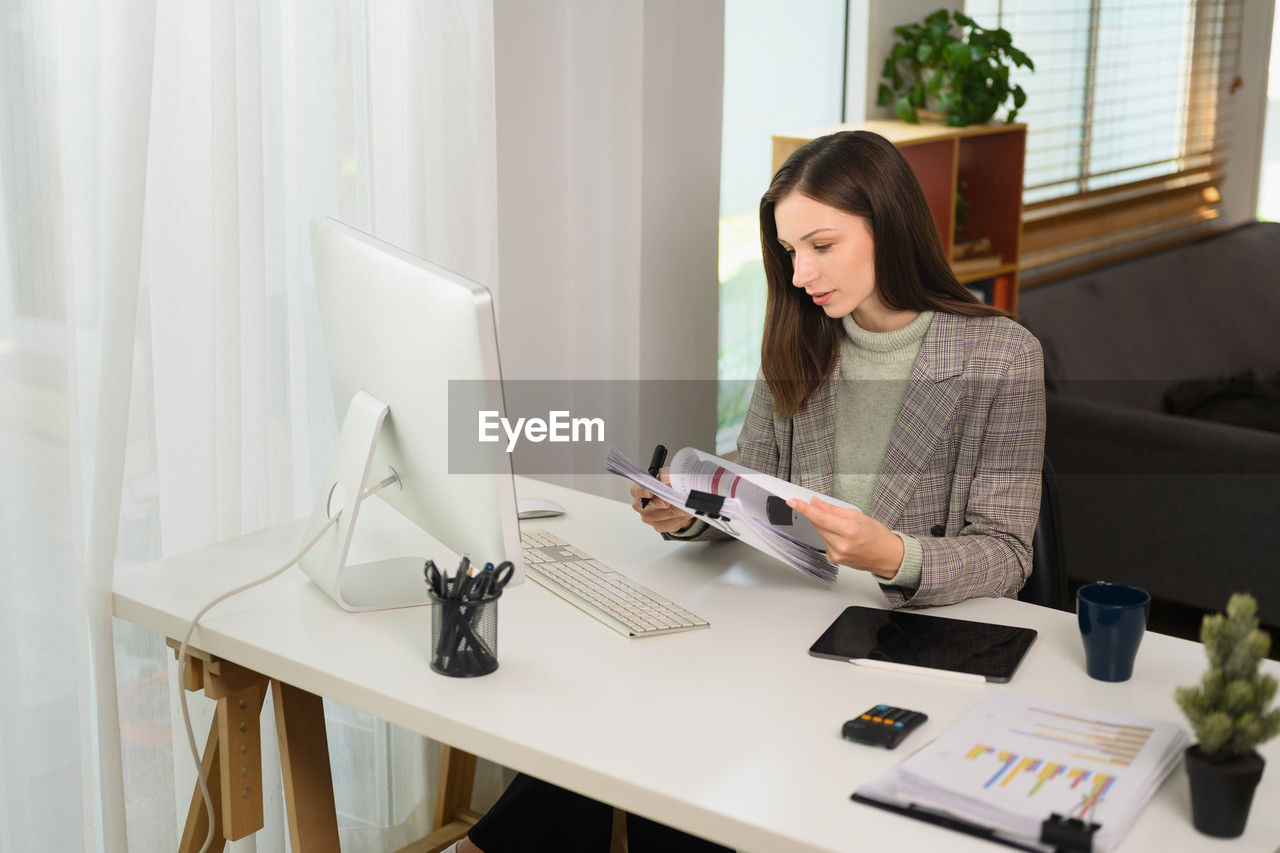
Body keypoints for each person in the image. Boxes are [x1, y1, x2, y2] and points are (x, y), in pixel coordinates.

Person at [453, 129, 1045, 852]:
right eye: (791, 252)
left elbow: (1009, 552)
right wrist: (690, 510)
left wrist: (894, 553)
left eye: (821, 246)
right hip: (783, 634)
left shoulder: (1003, 355)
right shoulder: (803, 335)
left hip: (905, 656)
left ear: (888, 225)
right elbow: (756, 478)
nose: (800, 275)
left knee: (661, 749)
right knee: (625, 724)